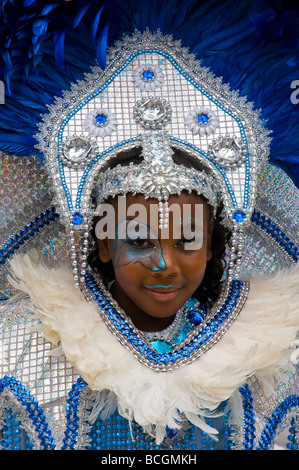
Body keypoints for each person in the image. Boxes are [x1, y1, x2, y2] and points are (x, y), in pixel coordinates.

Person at [0, 2, 298, 452]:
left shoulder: (272, 353)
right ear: (102, 246)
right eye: (138, 239)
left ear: (215, 246)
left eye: (187, 240)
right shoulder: (26, 344)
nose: (164, 264)